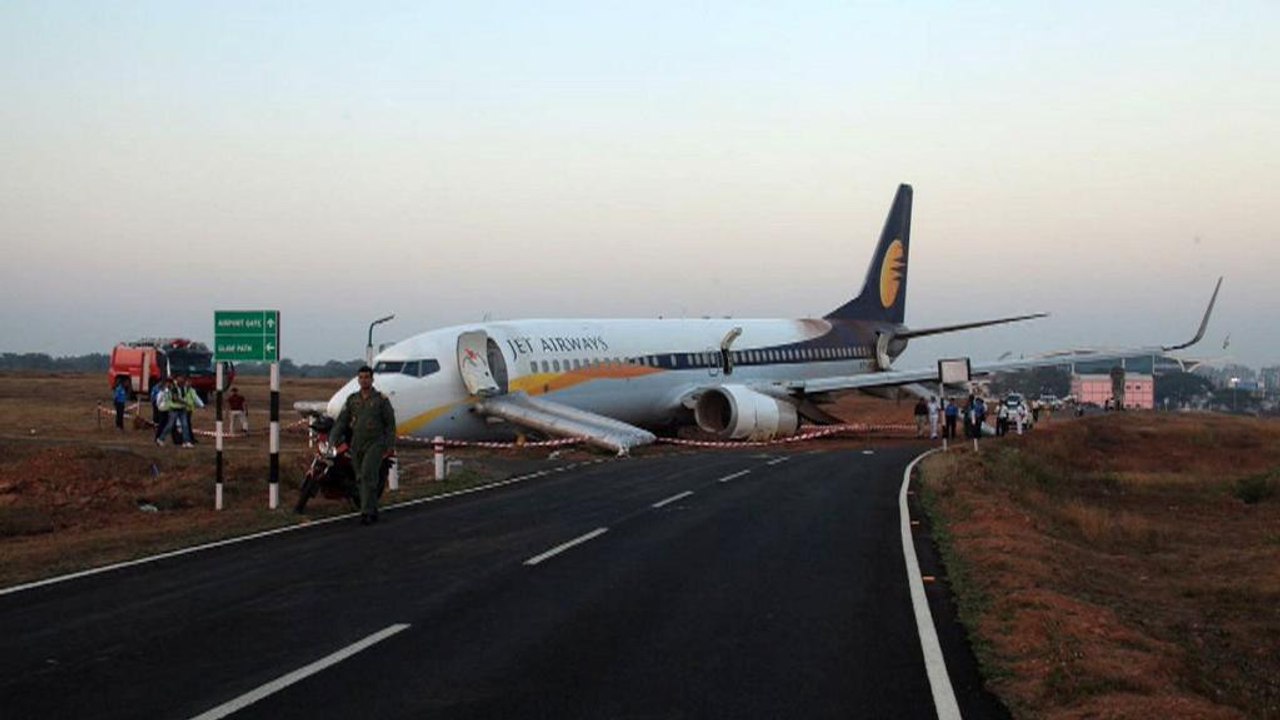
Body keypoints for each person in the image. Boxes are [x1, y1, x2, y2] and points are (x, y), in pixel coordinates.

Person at [331, 365, 397, 525]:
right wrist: (333, 438)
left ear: (372, 379)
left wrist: (389, 445)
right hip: (357, 444)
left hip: (375, 443)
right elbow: (342, 421)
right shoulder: (352, 400)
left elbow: (390, 424)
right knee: (360, 477)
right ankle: (372, 509)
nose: (363, 380)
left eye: (367, 377)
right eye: (361, 377)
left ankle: (365, 512)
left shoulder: (381, 400)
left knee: (368, 474)